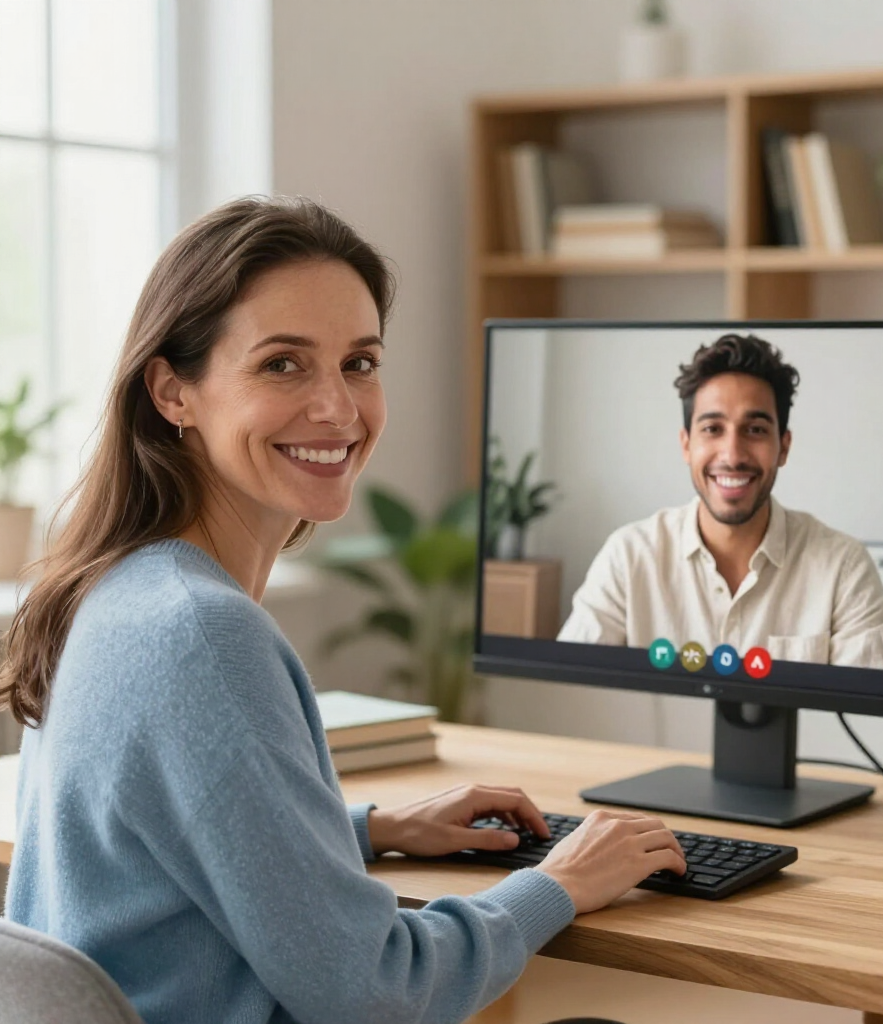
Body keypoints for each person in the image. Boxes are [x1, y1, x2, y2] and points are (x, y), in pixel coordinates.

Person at [0, 197, 687, 1024]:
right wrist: (558, 884)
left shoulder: (106, 589)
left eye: (359, 362)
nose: (338, 408)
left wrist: (370, 828)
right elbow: (374, 992)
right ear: (173, 391)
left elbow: (149, 856)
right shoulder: (199, 631)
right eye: (283, 364)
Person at [557, 332, 883, 672]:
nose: (733, 454)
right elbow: (569, 694)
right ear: (686, 444)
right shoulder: (628, 557)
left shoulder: (843, 569)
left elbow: (878, 718)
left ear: (783, 447)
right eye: (712, 429)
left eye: (754, 430)